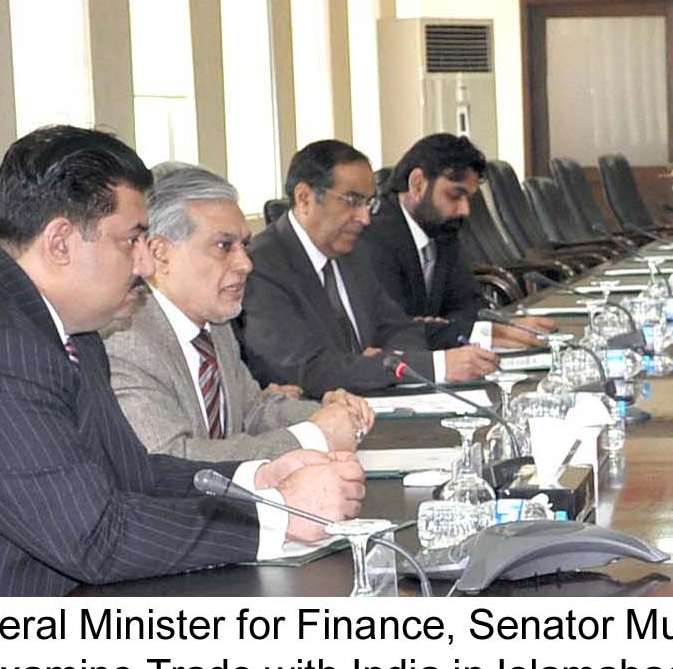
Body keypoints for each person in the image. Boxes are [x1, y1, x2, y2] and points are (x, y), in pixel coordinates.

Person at [0, 126, 363, 596]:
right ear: (61, 242)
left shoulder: (61, 322)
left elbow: (132, 472)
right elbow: (94, 537)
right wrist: (281, 514)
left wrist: (256, 479)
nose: (146, 266)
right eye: (132, 241)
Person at [106, 163, 377, 460]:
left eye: (244, 245)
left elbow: (253, 410)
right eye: (224, 246)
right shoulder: (125, 340)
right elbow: (173, 457)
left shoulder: (216, 326)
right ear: (160, 254)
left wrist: (332, 414)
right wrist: (312, 436)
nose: (246, 264)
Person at [237, 139, 500, 396]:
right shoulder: (261, 265)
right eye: (352, 201)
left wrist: (390, 360)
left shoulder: (349, 253)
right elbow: (305, 369)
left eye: (367, 203)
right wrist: (426, 367)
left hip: (373, 405)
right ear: (304, 198)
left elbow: (399, 327)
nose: (364, 218)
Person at [357, 133, 552, 350]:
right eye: (455, 195)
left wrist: (446, 326)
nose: (465, 210)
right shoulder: (374, 237)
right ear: (417, 184)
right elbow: (395, 332)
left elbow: (471, 305)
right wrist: (473, 331)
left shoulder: (442, 231)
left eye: (468, 198)